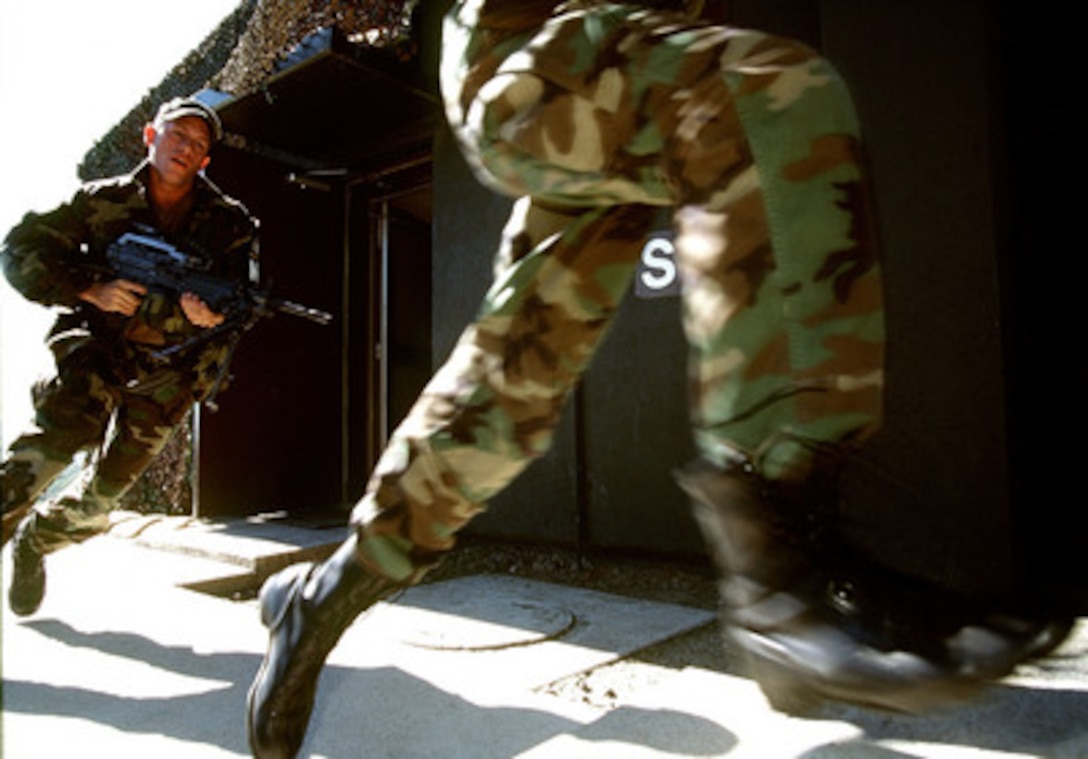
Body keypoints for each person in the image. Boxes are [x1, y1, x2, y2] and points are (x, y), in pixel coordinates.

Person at [247, 1, 1071, 755]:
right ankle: (785, 582)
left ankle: (322, 594)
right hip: (533, 56)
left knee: (518, 368)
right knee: (764, 89)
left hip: (602, 65)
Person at [0, 96, 259, 617]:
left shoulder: (229, 223)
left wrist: (211, 316)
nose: (186, 148)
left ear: (206, 160)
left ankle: (39, 540)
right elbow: (19, 250)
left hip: (170, 371)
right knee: (55, 443)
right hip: (96, 346)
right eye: (177, 135)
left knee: (101, 504)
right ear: (150, 136)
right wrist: (89, 288)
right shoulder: (100, 202)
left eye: (199, 144)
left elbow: (240, 300)